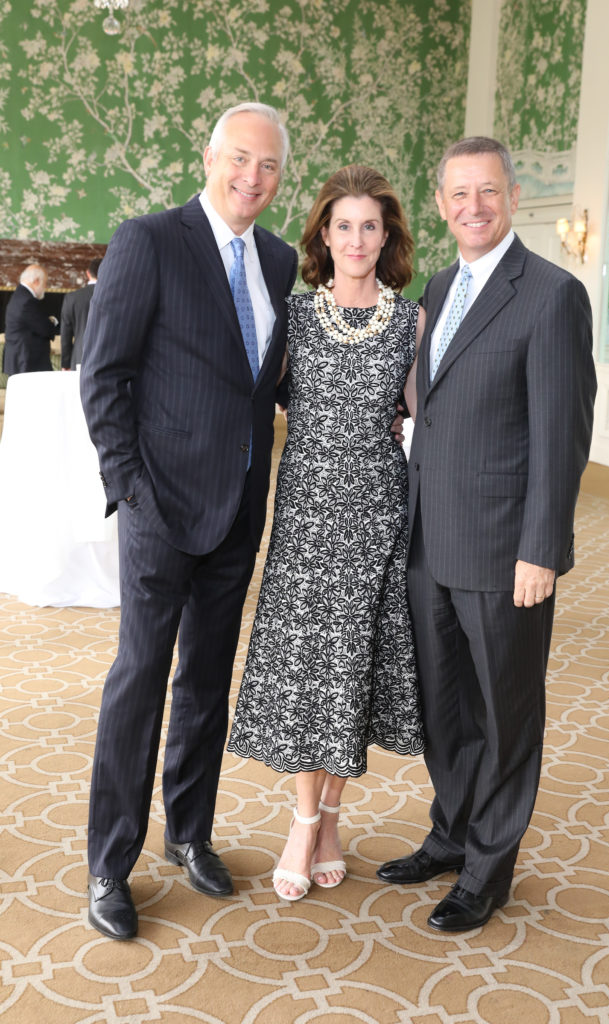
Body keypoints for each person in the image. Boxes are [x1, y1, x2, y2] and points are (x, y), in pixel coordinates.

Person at [79, 102, 298, 940]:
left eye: (269, 166)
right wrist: (131, 488)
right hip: (159, 508)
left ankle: (191, 835)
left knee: (207, 680)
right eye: (239, 158)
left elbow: (267, 382)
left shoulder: (278, 261)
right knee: (139, 680)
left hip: (240, 506)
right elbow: (103, 376)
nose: (251, 177)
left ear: (281, 178)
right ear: (208, 157)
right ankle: (110, 863)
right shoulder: (150, 240)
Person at [377, 136, 597, 932]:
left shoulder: (549, 294)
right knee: (444, 708)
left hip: (507, 550)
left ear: (510, 197)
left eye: (488, 191)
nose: (473, 206)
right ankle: (450, 833)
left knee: (504, 712)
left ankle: (487, 869)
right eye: (458, 193)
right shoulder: (438, 285)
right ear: (440, 204)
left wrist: (542, 547)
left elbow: (561, 435)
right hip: (428, 541)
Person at [227, 165, 424, 901]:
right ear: (322, 235)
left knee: (352, 674)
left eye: (370, 225)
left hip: (377, 516)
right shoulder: (297, 316)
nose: (356, 238)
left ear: (388, 236)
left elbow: (426, 422)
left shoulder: (411, 321)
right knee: (311, 675)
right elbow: (243, 397)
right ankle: (302, 823)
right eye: (343, 225)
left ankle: (330, 817)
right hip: (307, 518)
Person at [3, 264, 57, 374]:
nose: (45, 287)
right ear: (36, 281)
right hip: (27, 364)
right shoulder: (27, 301)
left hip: (21, 362)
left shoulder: (19, 296)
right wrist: (52, 321)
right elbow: (46, 329)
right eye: (45, 282)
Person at [60, 258, 102, 369]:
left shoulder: (72, 298)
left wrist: (65, 363)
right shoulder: (115, 296)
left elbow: (66, 336)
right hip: (107, 357)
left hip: (79, 356)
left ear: (88, 274)